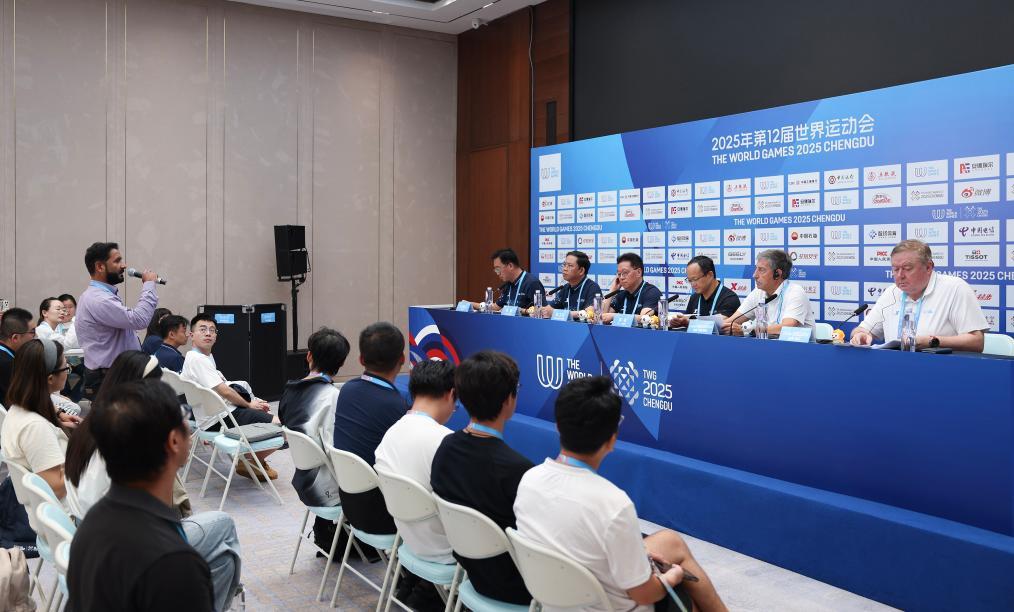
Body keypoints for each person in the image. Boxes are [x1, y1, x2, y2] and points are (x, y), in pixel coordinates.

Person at [515, 376, 727, 612]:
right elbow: (644, 594)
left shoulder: (529, 480)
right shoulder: (614, 505)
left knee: (670, 541)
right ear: (612, 439)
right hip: (611, 607)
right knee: (685, 597)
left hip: (554, 602)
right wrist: (672, 577)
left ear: (558, 426)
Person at [64, 351, 241, 612]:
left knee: (224, 553)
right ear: (173, 441)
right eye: (180, 414)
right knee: (223, 538)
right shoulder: (172, 562)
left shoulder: (96, 524)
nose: (189, 424)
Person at [430, 350, 533, 605]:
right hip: (521, 584)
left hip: (470, 571)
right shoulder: (517, 470)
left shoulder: (445, 448)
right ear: (509, 400)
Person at [375, 360, 456, 563]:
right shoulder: (446, 442)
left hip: (409, 542)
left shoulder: (389, 435)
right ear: (451, 394)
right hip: (448, 550)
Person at [181, 313, 279, 480]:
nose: (208, 333)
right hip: (218, 419)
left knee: (261, 410)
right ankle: (249, 461)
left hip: (215, 414)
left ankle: (253, 460)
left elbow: (222, 387)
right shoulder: (198, 360)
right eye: (202, 329)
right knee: (280, 425)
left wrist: (251, 401)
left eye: (212, 330)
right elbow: (224, 391)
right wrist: (249, 405)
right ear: (191, 335)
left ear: (216, 335)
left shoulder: (197, 356)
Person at [332, 322, 407, 536]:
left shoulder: (347, 390)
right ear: (402, 359)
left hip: (349, 504)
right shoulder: (396, 405)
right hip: (385, 515)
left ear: (361, 359)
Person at [277, 327, 349, 548]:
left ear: (309, 356)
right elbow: (336, 450)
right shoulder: (333, 397)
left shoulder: (289, 391)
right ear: (341, 363)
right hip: (326, 489)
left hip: (303, 480)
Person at [851, 240, 988, 351]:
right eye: (895, 269)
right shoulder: (891, 292)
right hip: (894, 367)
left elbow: (976, 342)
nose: (900, 275)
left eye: (907, 268)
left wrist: (931, 342)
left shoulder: (955, 288)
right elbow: (862, 330)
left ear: (928, 267)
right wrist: (860, 335)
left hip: (942, 368)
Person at [0, 339, 81, 504]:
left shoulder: (19, 407)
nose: (67, 372)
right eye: (66, 367)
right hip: (68, 510)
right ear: (50, 378)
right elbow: (56, 488)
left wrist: (58, 418)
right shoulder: (35, 427)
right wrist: (85, 451)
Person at [75, 242, 160, 399]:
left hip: (113, 374)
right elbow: (139, 320)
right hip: (110, 377)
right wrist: (149, 285)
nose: (124, 265)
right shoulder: (98, 299)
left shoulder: (101, 295)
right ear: (100, 266)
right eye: (117, 261)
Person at [721, 249, 814, 336]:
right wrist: (719, 324)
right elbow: (731, 321)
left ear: (777, 274)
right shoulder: (758, 292)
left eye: (761, 270)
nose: (754, 275)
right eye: (756, 269)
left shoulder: (795, 292)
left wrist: (748, 330)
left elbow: (787, 328)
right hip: (766, 346)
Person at [671, 255, 740, 327]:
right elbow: (686, 322)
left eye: (695, 279)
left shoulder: (729, 298)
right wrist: (680, 322)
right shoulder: (694, 298)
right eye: (690, 280)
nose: (692, 284)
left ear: (710, 275)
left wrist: (689, 322)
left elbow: (720, 324)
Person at [472, 248, 545, 311]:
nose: (497, 273)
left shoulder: (532, 283)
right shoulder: (508, 284)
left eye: (498, 269)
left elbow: (542, 310)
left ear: (510, 266)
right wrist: (470, 304)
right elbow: (495, 307)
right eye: (496, 270)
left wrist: (523, 311)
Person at [539, 250, 602, 319]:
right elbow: (550, 309)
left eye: (570, 266)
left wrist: (556, 313)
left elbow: (591, 314)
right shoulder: (566, 287)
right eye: (564, 265)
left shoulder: (592, 288)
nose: (564, 269)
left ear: (581, 271)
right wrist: (542, 311)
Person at [603, 252, 663, 323]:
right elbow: (603, 317)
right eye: (619, 274)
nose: (621, 277)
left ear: (638, 272)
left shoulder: (651, 293)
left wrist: (614, 316)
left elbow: (644, 319)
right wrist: (612, 290)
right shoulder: (621, 295)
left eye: (625, 273)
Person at [0, 308, 37, 402]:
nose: (36, 336)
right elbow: (25, 400)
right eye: (32, 332)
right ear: (15, 338)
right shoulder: (9, 364)